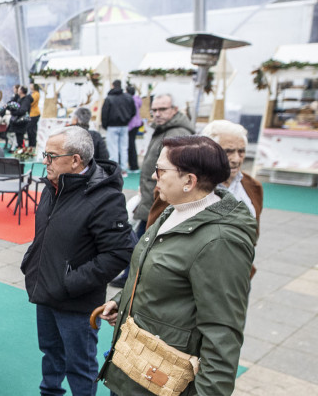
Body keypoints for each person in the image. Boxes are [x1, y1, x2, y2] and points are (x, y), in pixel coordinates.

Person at [98, 136, 256, 396]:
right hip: (137, 368)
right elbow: (157, 272)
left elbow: (222, 333)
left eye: (161, 170)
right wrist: (122, 300)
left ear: (189, 181)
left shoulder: (219, 241)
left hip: (163, 381)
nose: (152, 176)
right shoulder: (177, 210)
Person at [21, 126, 133, 396]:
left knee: (80, 366)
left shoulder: (105, 197)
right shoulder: (54, 186)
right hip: (46, 290)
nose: (44, 161)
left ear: (75, 160)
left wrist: (70, 282)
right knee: (51, 354)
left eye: (51, 156)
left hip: (77, 301)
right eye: (44, 154)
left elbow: (119, 252)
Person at [134, 94, 194, 236]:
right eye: (154, 110)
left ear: (175, 109)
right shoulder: (164, 130)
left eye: (162, 109)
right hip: (153, 202)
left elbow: (178, 176)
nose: (157, 114)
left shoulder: (177, 134)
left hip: (162, 207)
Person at [101, 80, 136, 175]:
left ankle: (114, 169)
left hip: (112, 126)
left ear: (112, 85)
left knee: (113, 148)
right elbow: (133, 111)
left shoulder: (109, 98)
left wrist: (105, 125)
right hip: (124, 125)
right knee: (124, 148)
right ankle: (123, 169)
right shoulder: (128, 97)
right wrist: (127, 119)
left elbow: (104, 113)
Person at [126, 84, 142, 172]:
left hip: (131, 125)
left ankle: (133, 166)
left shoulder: (129, 100)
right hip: (137, 123)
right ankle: (133, 165)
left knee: (130, 145)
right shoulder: (138, 99)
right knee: (132, 144)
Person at [28, 83, 42, 148]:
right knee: (30, 129)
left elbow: (31, 102)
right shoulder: (33, 93)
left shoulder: (36, 94)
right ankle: (31, 143)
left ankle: (33, 144)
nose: (30, 85)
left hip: (34, 114)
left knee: (32, 129)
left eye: (32, 84)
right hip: (31, 114)